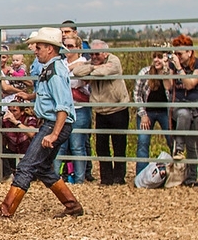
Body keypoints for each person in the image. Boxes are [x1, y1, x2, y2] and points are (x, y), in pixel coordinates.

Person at [0, 28, 84, 218]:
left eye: (39, 47)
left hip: (54, 124)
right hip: (53, 123)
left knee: (27, 165)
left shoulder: (54, 72)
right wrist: (30, 95)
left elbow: (62, 106)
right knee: (43, 167)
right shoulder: (52, 68)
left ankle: (7, 210)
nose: (35, 51)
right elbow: (50, 95)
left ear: (50, 49)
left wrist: (53, 134)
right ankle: (72, 206)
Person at [72, 40, 130, 185]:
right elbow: (77, 72)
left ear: (105, 53)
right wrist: (93, 66)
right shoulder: (93, 62)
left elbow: (105, 72)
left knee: (119, 145)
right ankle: (106, 179)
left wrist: (92, 69)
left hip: (118, 109)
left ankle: (119, 177)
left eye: (97, 54)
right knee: (101, 146)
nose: (94, 56)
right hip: (101, 111)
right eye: (92, 54)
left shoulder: (114, 60)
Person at [54, 35, 92, 184]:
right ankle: (55, 178)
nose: (67, 48)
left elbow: (77, 81)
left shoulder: (83, 63)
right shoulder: (61, 62)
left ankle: (79, 179)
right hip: (64, 108)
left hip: (79, 108)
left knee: (77, 145)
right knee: (60, 145)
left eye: (70, 45)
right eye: (65, 45)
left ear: (78, 47)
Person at [133, 49, 173, 175]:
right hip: (147, 112)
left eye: (160, 57)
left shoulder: (171, 74)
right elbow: (137, 94)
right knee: (143, 142)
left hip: (165, 112)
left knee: (172, 141)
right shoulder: (145, 72)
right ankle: (141, 175)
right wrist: (143, 114)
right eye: (154, 57)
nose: (156, 60)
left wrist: (166, 71)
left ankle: (176, 172)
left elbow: (172, 90)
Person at [0, 99, 39, 180]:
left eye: (14, 111)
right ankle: (8, 175)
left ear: (22, 112)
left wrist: (15, 122)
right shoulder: (5, 121)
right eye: (10, 110)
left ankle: (21, 173)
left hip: (28, 157)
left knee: (31, 177)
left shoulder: (29, 119)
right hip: (13, 155)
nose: (11, 113)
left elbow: (31, 133)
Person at [169, 34, 197, 186]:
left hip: (195, 105)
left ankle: (193, 177)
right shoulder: (174, 66)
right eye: (176, 53)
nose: (177, 56)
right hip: (179, 105)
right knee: (184, 114)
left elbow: (190, 84)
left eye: (180, 53)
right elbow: (168, 86)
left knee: (193, 143)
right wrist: (167, 70)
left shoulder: (197, 65)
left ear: (190, 52)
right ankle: (179, 148)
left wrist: (179, 68)